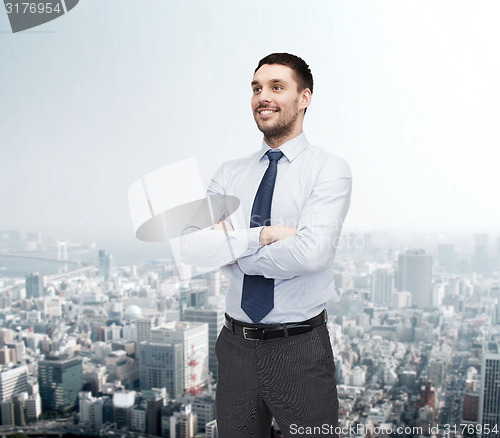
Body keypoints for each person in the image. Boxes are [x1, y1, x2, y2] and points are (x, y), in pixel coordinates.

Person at [194, 53, 352, 437]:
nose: (262, 96)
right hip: (234, 347)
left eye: (277, 87)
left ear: (304, 98)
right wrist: (261, 236)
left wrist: (233, 249)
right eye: (256, 88)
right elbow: (193, 248)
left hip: (298, 349)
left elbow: (312, 252)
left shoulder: (328, 169)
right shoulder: (229, 173)